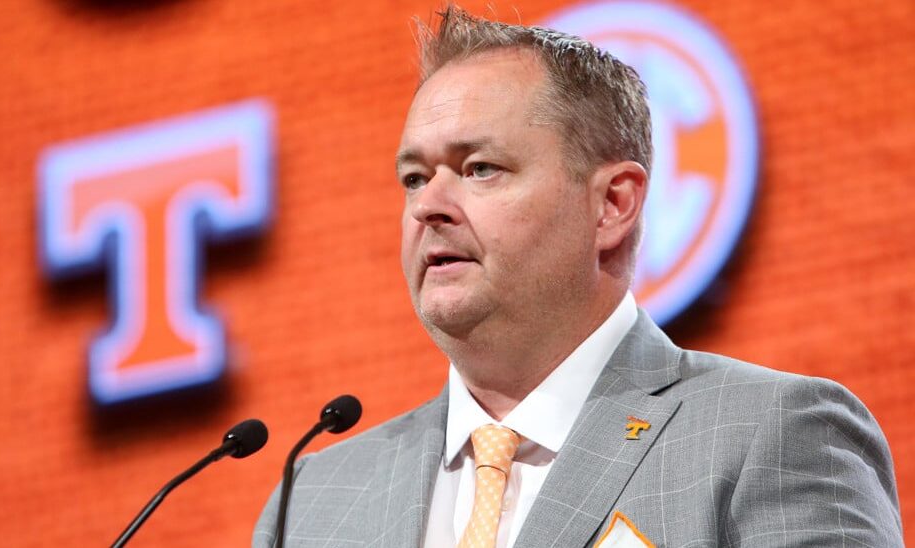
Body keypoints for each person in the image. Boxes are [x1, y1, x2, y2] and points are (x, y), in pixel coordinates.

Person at [253, 6, 902, 547]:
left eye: (480, 168)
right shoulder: (310, 505)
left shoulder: (772, 434)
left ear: (612, 204)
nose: (428, 205)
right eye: (414, 178)